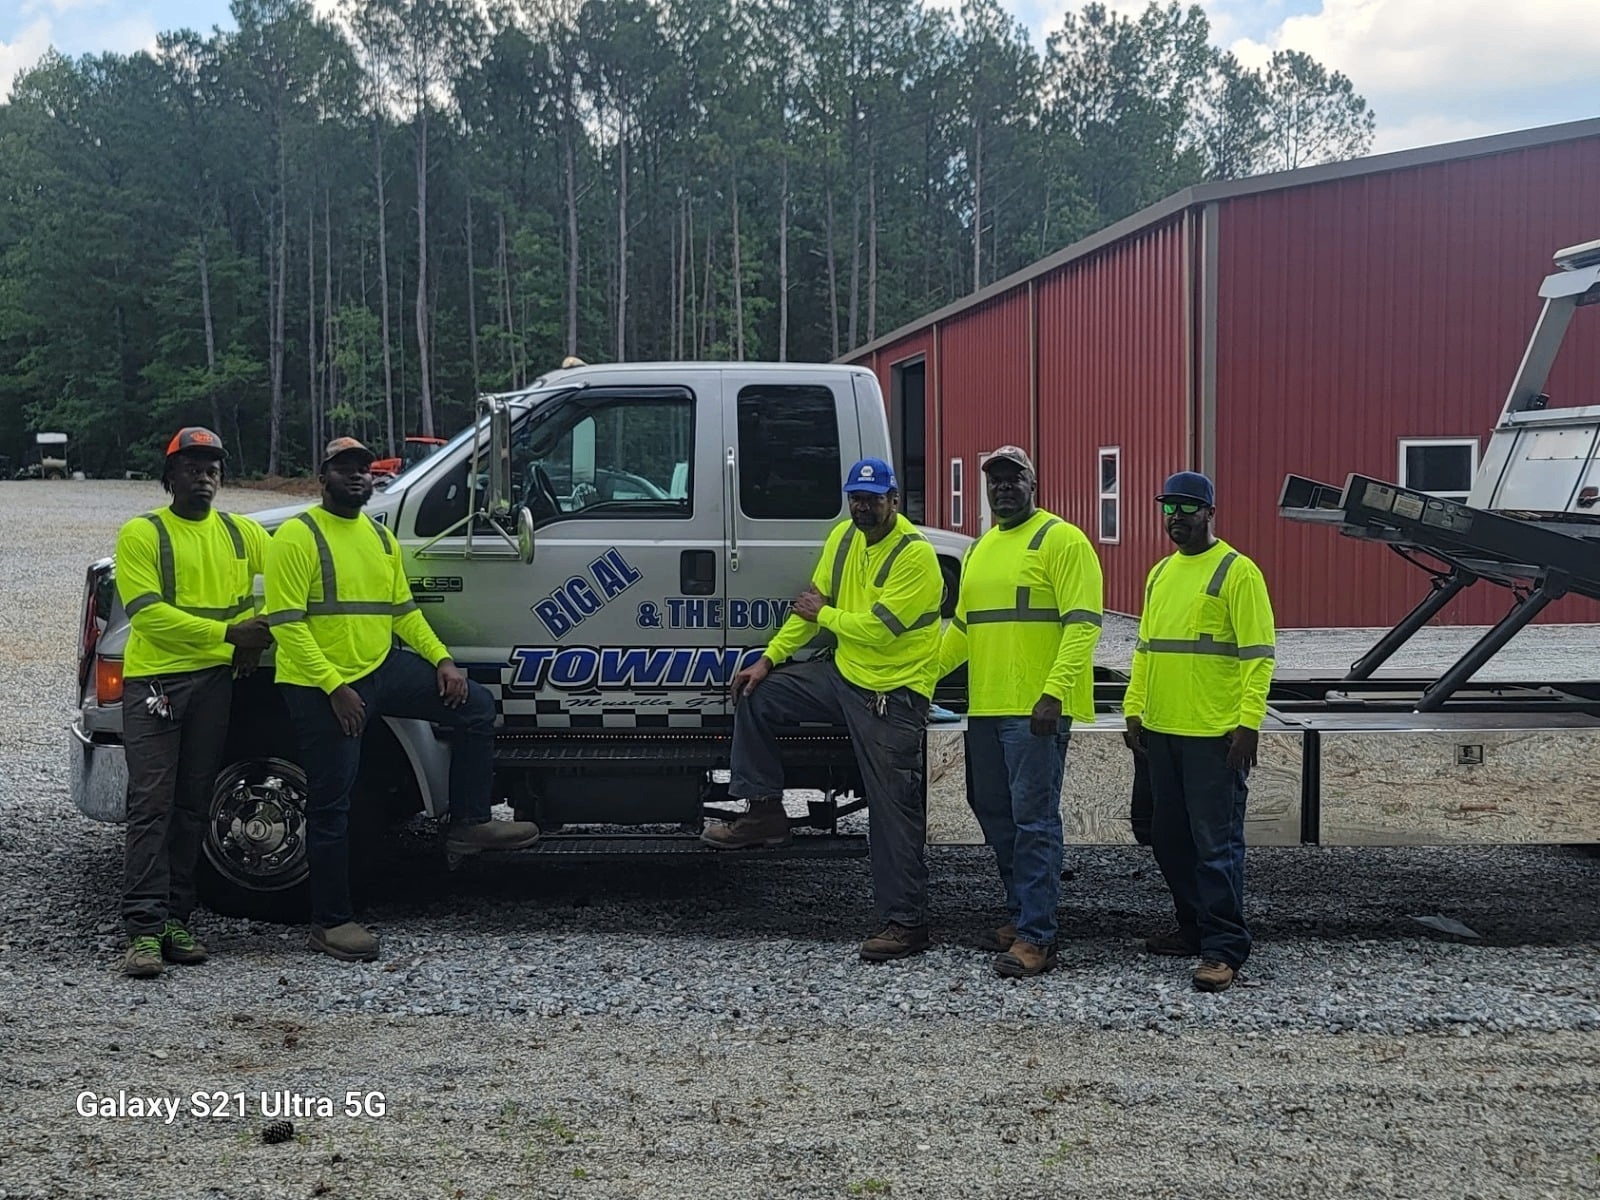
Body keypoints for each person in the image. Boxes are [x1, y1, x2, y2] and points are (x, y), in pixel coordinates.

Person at [265, 436, 540, 963]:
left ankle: (469, 822)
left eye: (364, 469)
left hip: (377, 667)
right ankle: (330, 922)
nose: (356, 476)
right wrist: (334, 689)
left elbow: (404, 613)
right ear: (321, 477)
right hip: (319, 683)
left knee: (476, 706)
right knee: (332, 804)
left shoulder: (378, 537)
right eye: (344, 468)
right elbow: (286, 625)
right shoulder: (297, 537)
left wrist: (441, 661)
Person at [702, 457, 944, 962]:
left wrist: (824, 614)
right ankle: (765, 813)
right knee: (757, 695)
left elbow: (878, 630)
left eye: (874, 498)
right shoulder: (843, 538)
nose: (863, 505)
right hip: (844, 674)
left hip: (891, 693)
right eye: (856, 496)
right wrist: (767, 660)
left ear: (894, 500)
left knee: (891, 810)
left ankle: (906, 923)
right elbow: (807, 612)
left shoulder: (915, 556)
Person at [938, 447, 1102, 977]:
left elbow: (1083, 624)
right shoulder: (982, 548)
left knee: (1034, 821)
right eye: (996, 480)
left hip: (1036, 710)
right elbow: (963, 630)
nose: (1004, 487)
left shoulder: (1062, 540)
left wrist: (1054, 691)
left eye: (1014, 478)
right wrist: (920, 678)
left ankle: (1037, 935)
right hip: (987, 706)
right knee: (992, 808)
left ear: (1034, 482)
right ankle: (1023, 911)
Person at [115, 427, 272, 978]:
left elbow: (277, 582)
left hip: (214, 684)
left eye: (213, 467)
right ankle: (142, 929)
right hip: (156, 684)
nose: (204, 475)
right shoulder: (143, 534)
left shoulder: (240, 533)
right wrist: (232, 637)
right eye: (192, 466)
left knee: (192, 804)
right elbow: (148, 615)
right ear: (170, 476)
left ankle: (177, 919)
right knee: (151, 806)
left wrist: (260, 631)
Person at [1121, 471, 1275, 993]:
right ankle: (1192, 928)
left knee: (1216, 845)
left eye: (1188, 509)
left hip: (1213, 735)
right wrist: (1134, 708)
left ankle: (1223, 947)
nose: (1177, 518)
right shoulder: (1161, 573)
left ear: (1210, 512)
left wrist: (1248, 723)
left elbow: (1258, 655)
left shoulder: (1237, 572)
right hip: (1163, 730)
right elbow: (1145, 648)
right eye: (1170, 508)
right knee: (1168, 839)